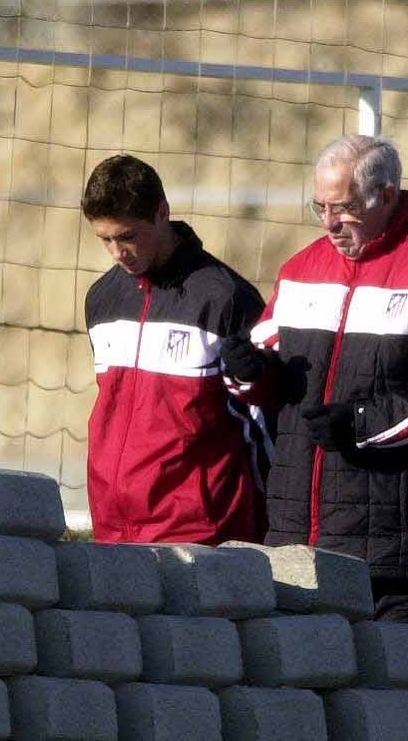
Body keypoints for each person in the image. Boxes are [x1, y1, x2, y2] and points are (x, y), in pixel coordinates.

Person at [221, 134, 408, 624]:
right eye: (321, 208)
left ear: (388, 196)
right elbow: (273, 374)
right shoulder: (302, 269)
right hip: (304, 545)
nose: (331, 224)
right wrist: (248, 373)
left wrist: (362, 424)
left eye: (346, 208)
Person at [82, 154, 270, 545]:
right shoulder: (102, 299)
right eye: (105, 239)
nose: (118, 252)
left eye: (128, 236)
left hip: (200, 534)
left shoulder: (226, 299)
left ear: (162, 213)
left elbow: (262, 427)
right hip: (112, 531)